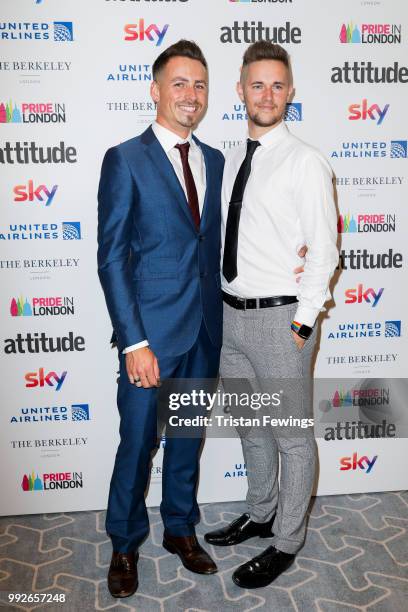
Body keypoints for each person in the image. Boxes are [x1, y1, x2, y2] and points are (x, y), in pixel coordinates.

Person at [204, 41, 338, 589]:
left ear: (291, 92)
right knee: (251, 429)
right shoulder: (229, 157)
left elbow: (324, 250)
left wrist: (302, 323)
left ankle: (287, 541)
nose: (267, 94)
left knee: (289, 435)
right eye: (256, 84)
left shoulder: (306, 161)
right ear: (240, 91)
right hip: (229, 317)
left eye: (277, 85)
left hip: (282, 320)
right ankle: (260, 513)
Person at [97, 40, 224, 598]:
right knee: (137, 444)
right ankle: (124, 542)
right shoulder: (125, 158)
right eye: (179, 83)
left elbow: (212, 244)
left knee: (188, 438)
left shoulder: (214, 160)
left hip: (203, 331)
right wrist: (134, 341)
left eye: (198, 84)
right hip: (150, 335)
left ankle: (179, 530)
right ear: (155, 90)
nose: (190, 95)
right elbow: (112, 256)